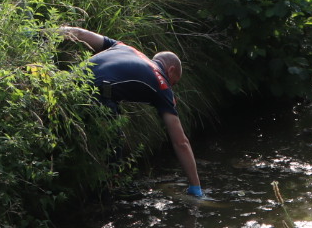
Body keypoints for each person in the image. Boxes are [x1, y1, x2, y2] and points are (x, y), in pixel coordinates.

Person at [58, 25, 204, 198]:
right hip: (96, 93)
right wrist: (195, 186)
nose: (172, 87)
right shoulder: (162, 83)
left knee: (114, 116)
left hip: (66, 83)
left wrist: (44, 35)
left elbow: (81, 33)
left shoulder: (125, 47)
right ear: (171, 70)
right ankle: (110, 191)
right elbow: (181, 142)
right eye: (175, 82)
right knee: (115, 138)